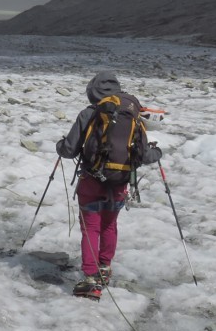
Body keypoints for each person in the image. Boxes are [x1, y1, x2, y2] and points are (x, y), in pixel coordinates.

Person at [56, 70, 161, 300]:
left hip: (91, 182)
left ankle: (91, 279)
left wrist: (60, 145)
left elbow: (69, 150)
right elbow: (144, 155)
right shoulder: (131, 114)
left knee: (91, 228)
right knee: (109, 226)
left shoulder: (89, 113)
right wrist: (158, 152)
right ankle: (104, 268)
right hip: (120, 182)